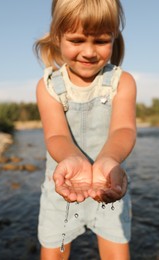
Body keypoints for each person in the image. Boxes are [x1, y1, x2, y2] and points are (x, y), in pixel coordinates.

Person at [34, 0, 137, 259]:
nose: (89, 52)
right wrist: (73, 159)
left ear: (114, 37)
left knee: (116, 250)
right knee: (54, 251)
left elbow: (123, 129)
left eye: (101, 41)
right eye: (77, 41)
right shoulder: (48, 86)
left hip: (108, 181)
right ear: (58, 37)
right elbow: (56, 135)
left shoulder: (121, 82)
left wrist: (109, 159)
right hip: (64, 182)